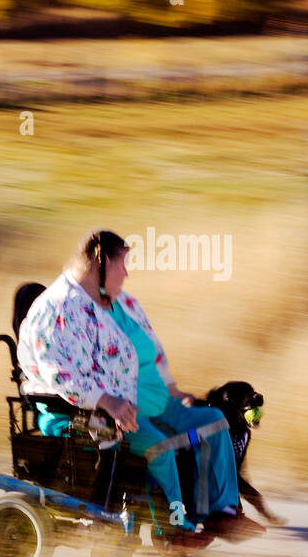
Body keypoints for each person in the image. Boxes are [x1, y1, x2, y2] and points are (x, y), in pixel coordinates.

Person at [17, 229, 263, 538]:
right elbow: (60, 377)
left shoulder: (106, 305)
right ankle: (173, 530)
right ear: (101, 260)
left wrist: (168, 393)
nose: (127, 272)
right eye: (122, 264)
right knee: (162, 443)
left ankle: (221, 513)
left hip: (132, 403)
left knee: (213, 420)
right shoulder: (57, 309)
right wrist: (110, 401)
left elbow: (134, 357)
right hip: (83, 413)